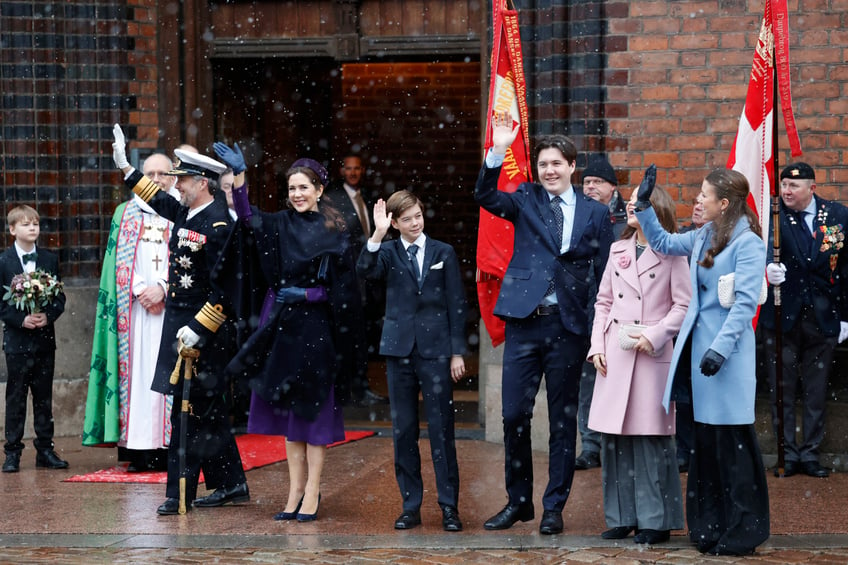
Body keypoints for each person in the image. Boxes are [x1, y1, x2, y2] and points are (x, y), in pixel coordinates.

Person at [475, 111, 614, 535]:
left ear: (573, 167)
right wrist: (498, 149)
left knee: (561, 421)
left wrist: (598, 327)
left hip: (567, 327)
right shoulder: (524, 198)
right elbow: (484, 194)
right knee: (514, 414)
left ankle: (554, 506)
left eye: (557, 163)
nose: (549, 170)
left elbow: (605, 271)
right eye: (544, 163)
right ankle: (519, 502)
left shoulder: (594, 212)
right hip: (523, 323)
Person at [215, 143, 363, 523]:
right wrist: (240, 178)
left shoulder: (336, 228)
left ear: (318, 190)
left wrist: (312, 293)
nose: (297, 194)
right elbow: (247, 219)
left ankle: (313, 488)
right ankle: (294, 489)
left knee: (312, 412)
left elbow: (347, 289)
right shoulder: (280, 223)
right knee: (291, 416)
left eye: (303, 188)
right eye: (292, 188)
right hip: (282, 323)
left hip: (316, 327)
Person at [111, 125, 248, 515]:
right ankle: (230, 483)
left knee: (187, 411)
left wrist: (201, 327)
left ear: (203, 183)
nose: (177, 187)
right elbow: (157, 200)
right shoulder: (189, 211)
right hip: (181, 329)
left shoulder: (220, 224)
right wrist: (126, 168)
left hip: (204, 334)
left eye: (183, 179)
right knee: (206, 410)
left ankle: (180, 492)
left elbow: (226, 289)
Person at [635, 166, 770, 556]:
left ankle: (744, 528)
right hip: (697, 355)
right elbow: (662, 241)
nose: (697, 199)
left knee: (733, 447)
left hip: (726, 359)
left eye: (703, 194)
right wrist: (644, 205)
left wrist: (720, 350)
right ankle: (709, 526)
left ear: (723, 203)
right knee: (705, 447)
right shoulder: (705, 234)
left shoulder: (747, 243)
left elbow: (744, 304)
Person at [357, 190, 467, 532]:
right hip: (398, 349)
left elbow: (456, 303)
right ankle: (410, 505)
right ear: (394, 223)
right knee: (403, 430)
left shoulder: (443, 252)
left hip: (435, 351)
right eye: (407, 219)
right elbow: (364, 271)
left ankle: (449, 506)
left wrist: (457, 351)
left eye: (418, 216)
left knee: (441, 430)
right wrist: (375, 235)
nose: (415, 223)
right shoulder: (387, 252)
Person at [587, 185, 690, 544]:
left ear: (655, 208)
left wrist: (657, 335)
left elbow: (682, 305)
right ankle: (621, 516)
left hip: (651, 355)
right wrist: (596, 345)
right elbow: (602, 303)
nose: (630, 205)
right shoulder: (618, 250)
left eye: (638, 201)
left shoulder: (674, 252)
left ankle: (654, 519)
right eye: (630, 200)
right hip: (616, 354)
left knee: (650, 441)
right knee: (613, 440)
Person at [82, 152, 178, 473]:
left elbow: (190, 258)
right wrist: (139, 289)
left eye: (162, 173)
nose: (155, 178)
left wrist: (163, 286)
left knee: (168, 377)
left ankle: (167, 449)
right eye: (148, 172)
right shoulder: (125, 212)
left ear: (173, 177)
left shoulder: (180, 211)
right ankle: (138, 450)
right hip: (135, 312)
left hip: (170, 310)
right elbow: (116, 262)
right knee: (137, 378)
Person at [761, 162, 848, 478]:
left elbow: (846, 269)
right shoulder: (772, 218)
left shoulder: (837, 216)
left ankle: (810, 454)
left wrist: (846, 318)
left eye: (793, 186)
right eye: (783, 185)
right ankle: (786, 454)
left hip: (824, 318)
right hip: (782, 317)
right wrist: (765, 274)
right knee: (781, 391)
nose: (786, 191)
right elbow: (754, 255)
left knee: (816, 391)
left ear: (812, 187)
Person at [1, 205, 68, 473]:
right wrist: (20, 319)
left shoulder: (49, 260)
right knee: (16, 396)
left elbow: (60, 298)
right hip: (17, 341)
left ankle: (45, 449)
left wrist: (47, 316)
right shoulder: (4, 262)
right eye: (26, 224)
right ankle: (12, 452)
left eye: (36, 224)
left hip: (43, 340)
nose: (32, 228)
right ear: (12, 229)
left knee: (43, 396)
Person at [574, 155, 626, 471]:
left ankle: (616, 443)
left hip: (621, 313)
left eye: (597, 182)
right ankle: (590, 444)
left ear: (612, 187)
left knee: (619, 379)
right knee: (588, 380)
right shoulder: (577, 216)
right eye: (587, 182)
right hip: (585, 309)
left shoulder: (627, 220)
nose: (590, 187)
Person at [325, 153, 387, 405]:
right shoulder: (333, 200)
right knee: (348, 335)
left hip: (366, 277)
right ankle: (349, 391)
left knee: (364, 334)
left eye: (357, 168)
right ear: (342, 171)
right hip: (345, 276)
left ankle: (361, 388)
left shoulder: (370, 198)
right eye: (348, 168)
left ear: (363, 171)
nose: (352, 172)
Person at [673, 199, 705, 473]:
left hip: (709, 329)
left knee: (705, 392)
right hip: (681, 328)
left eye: (703, 202)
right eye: (694, 202)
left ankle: (707, 451)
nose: (696, 206)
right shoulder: (683, 238)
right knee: (682, 393)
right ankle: (685, 449)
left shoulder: (728, 241)